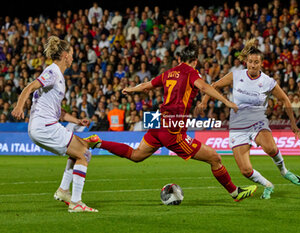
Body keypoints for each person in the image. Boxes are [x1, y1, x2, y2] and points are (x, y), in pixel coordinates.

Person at [85, 43, 257, 202]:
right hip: (173, 132)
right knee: (215, 158)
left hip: (159, 124)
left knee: (136, 155)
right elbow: (204, 87)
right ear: (195, 60)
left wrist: (131, 89)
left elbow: (147, 86)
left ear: (180, 59)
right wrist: (227, 102)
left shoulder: (169, 73)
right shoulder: (191, 72)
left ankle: (99, 142)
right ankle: (235, 193)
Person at [198, 38, 300, 200]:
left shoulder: (267, 82)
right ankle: (268, 185)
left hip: (257, 121)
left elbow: (285, 100)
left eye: (256, 62)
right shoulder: (236, 75)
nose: (253, 65)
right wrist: (204, 101)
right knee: (245, 171)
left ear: (261, 64)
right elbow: (215, 86)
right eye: (251, 62)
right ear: (246, 62)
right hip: (238, 126)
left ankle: (284, 171)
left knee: (270, 149)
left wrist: (293, 124)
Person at [11, 36, 97, 213]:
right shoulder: (53, 72)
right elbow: (29, 87)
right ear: (65, 55)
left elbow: (60, 111)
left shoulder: (57, 76)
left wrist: (77, 121)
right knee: (84, 154)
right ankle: (76, 202)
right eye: (72, 54)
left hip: (45, 125)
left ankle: (64, 190)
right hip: (45, 126)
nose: (73, 57)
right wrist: (19, 106)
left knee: (80, 148)